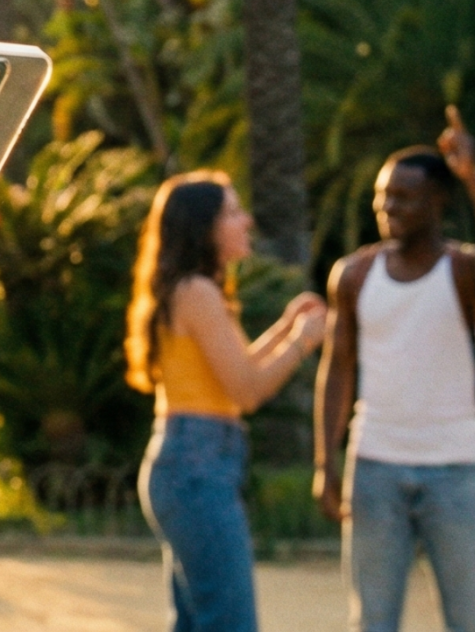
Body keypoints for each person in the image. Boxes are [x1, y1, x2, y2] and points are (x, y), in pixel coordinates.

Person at [314, 107, 475, 632]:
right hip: (376, 465)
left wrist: (474, 179)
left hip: (457, 469)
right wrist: (326, 461)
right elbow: (337, 369)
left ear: (438, 203)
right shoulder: (355, 275)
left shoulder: (463, 270)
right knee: (373, 620)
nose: (388, 207)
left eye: (403, 198)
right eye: (383, 197)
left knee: (466, 619)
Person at [125, 171, 329, 632]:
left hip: (185, 464)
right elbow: (247, 391)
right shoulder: (198, 292)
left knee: (198, 621)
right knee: (229, 622)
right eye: (233, 213)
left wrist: (283, 329)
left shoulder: (189, 290)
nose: (247, 221)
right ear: (205, 229)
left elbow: (233, 372)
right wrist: (302, 342)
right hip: (197, 467)